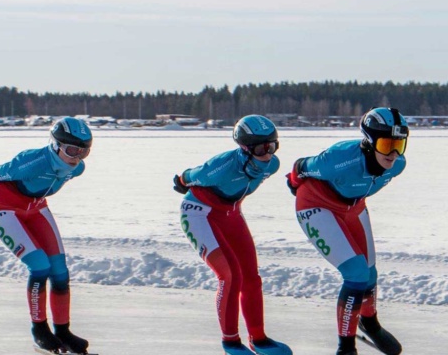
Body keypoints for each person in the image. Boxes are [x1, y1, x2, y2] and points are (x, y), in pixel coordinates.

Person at [286, 107, 409, 355]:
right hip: (316, 205)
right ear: (370, 142)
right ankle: (346, 347)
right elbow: (300, 167)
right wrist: (293, 184)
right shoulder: (339, 159)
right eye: (386, 145)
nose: (393, 154)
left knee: (370, 272)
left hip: (352, 207)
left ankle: (370, 322)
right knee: (356, 274)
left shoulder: (397, 166)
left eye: (400, 145)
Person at [173, 115, 293, 355]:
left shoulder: (272, 164)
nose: (268, 154)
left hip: (231, 213)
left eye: (272, 146)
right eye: (261, 148)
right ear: (245, 148)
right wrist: (181, 180)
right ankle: (230, 342)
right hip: (199, 213)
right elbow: (194, 174)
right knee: (230, 276)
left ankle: (258, 339)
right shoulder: (224, 165)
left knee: (251, 278)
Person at [0, 117, 93, 354]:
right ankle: (39, 330)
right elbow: (2, 172)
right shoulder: (33, 161)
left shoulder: (77, 169)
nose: (77, 158)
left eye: (84, 152)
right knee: (40, 266)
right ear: (55, 144)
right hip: (3, 206)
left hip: (35, 206)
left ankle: (63, 331)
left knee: (60, 271)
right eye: (72, 150)